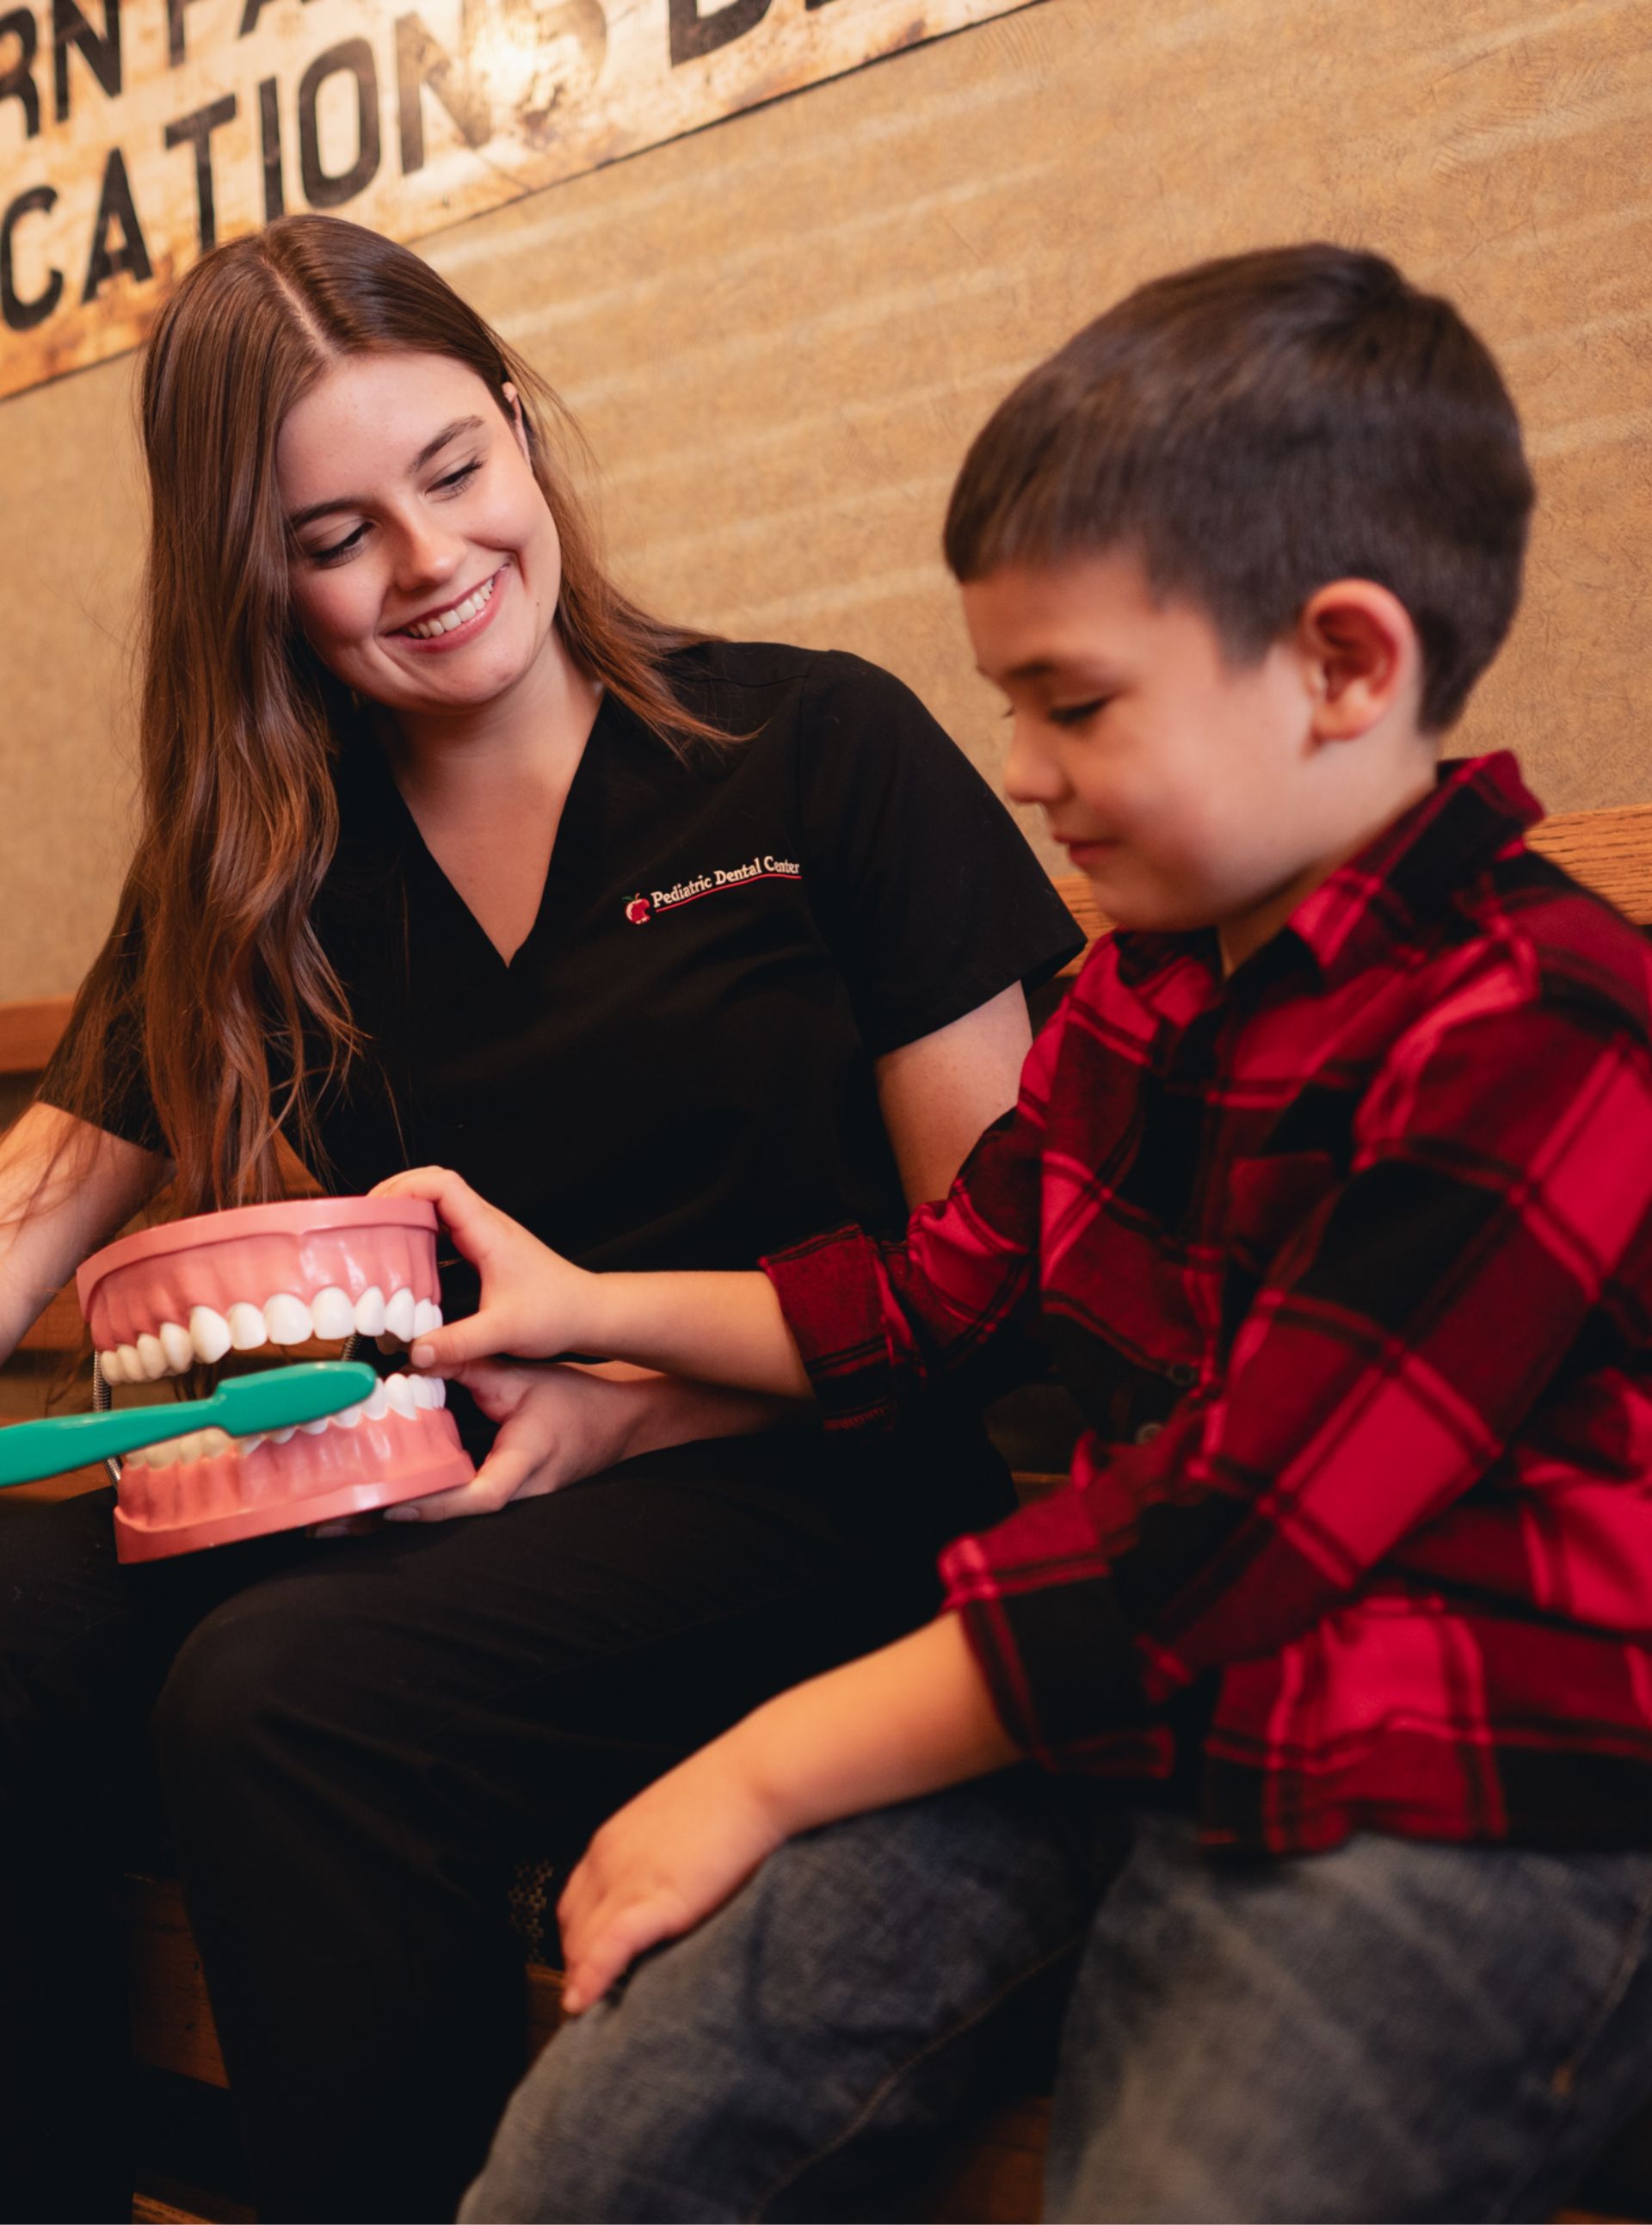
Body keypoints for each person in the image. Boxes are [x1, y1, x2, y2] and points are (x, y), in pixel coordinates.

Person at [385, 244, 1652, 2223]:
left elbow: (1223, 1533)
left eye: (1071, 708)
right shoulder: (1143, 992)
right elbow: (928, 1296)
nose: (1026, 775)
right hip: (1130, 1717)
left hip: (1465, 1788)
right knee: (608, 2141)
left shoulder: (1547, 1019)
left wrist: (763, 1767)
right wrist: (589, 1309)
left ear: (1343, 664)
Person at [0, 214, 1081, 2223]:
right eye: (333, 537)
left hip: (808, 1481)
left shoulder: (812, 751)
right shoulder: (258, 853)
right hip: (421, 1487)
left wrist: (636, 1398)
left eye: (452, 473)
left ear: (517, 427)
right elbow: (35, 1214)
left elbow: (1003, 1287)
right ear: (255, 578)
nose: (427, 563)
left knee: (282, 1699)